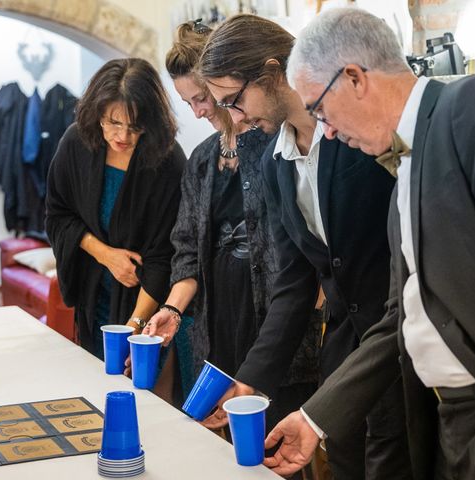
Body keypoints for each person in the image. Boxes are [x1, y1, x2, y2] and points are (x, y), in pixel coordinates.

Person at [265, 7, 475, 480]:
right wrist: (317, 418)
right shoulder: (407, 161)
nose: (326, 130)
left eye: (321, 110)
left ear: (354, 77)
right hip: (446, 422)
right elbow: (401, 318)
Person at [198, 14, 410, 480]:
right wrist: (249, 382)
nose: (235, 118)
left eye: (234, 101)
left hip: (404, 349)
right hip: (341, 360)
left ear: (273, 72)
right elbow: (293, 286)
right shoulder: (276, 163)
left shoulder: (358, 128)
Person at [145, 20, 321, 444]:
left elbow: (299, 250)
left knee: (276, 442)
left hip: (275, 317)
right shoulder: (203, 159)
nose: (198, 111)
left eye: (203, 98)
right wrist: (170, 309)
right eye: (187, 102)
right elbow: (186, 250)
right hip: (217, 317)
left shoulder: (280, 142)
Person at [46, 59, 186, 401]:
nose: (122, 136)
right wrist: (106, 255)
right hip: (93, 292)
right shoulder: (77, 143)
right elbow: (58, 214)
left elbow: (166, 255)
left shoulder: (168, 161)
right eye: (113, 123)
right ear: (97, 113)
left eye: (135, 126)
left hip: (149, 300)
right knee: (97, 393)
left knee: (149, 398)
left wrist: (134, 327)